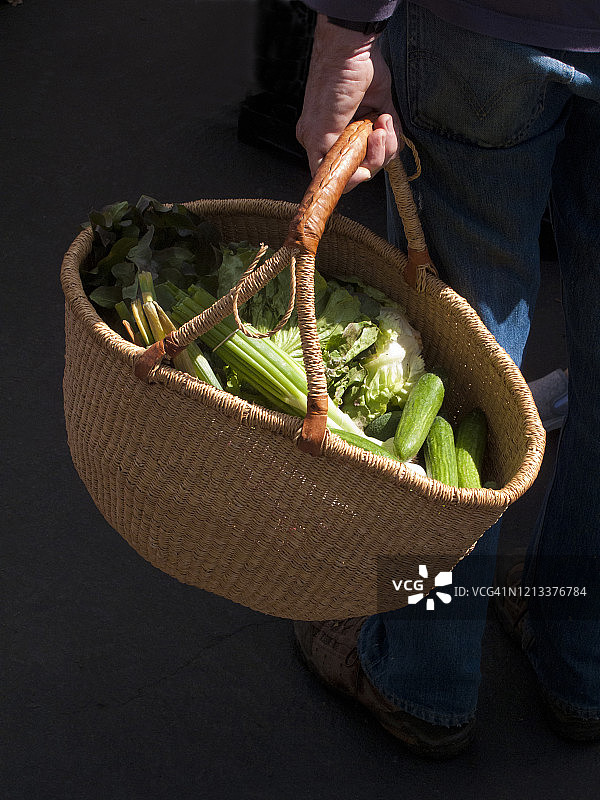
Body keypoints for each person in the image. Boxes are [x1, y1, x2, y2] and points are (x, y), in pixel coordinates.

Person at [293, 2, 600, 758]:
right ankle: (583, 662)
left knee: (462, 360)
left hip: (489, 29)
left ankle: (424, 681)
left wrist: (345, 35)